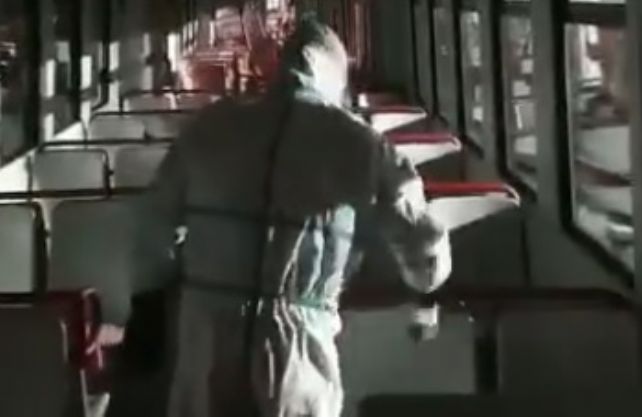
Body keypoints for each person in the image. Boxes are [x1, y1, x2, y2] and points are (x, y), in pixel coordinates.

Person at [131, 16, 452, 417]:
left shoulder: (210, 127)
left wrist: (148, 300)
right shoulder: (359, 144)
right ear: (337, 76)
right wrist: (426, 287)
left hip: (207, 335)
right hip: (296, 349)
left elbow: (152, 222)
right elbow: (424, 247)